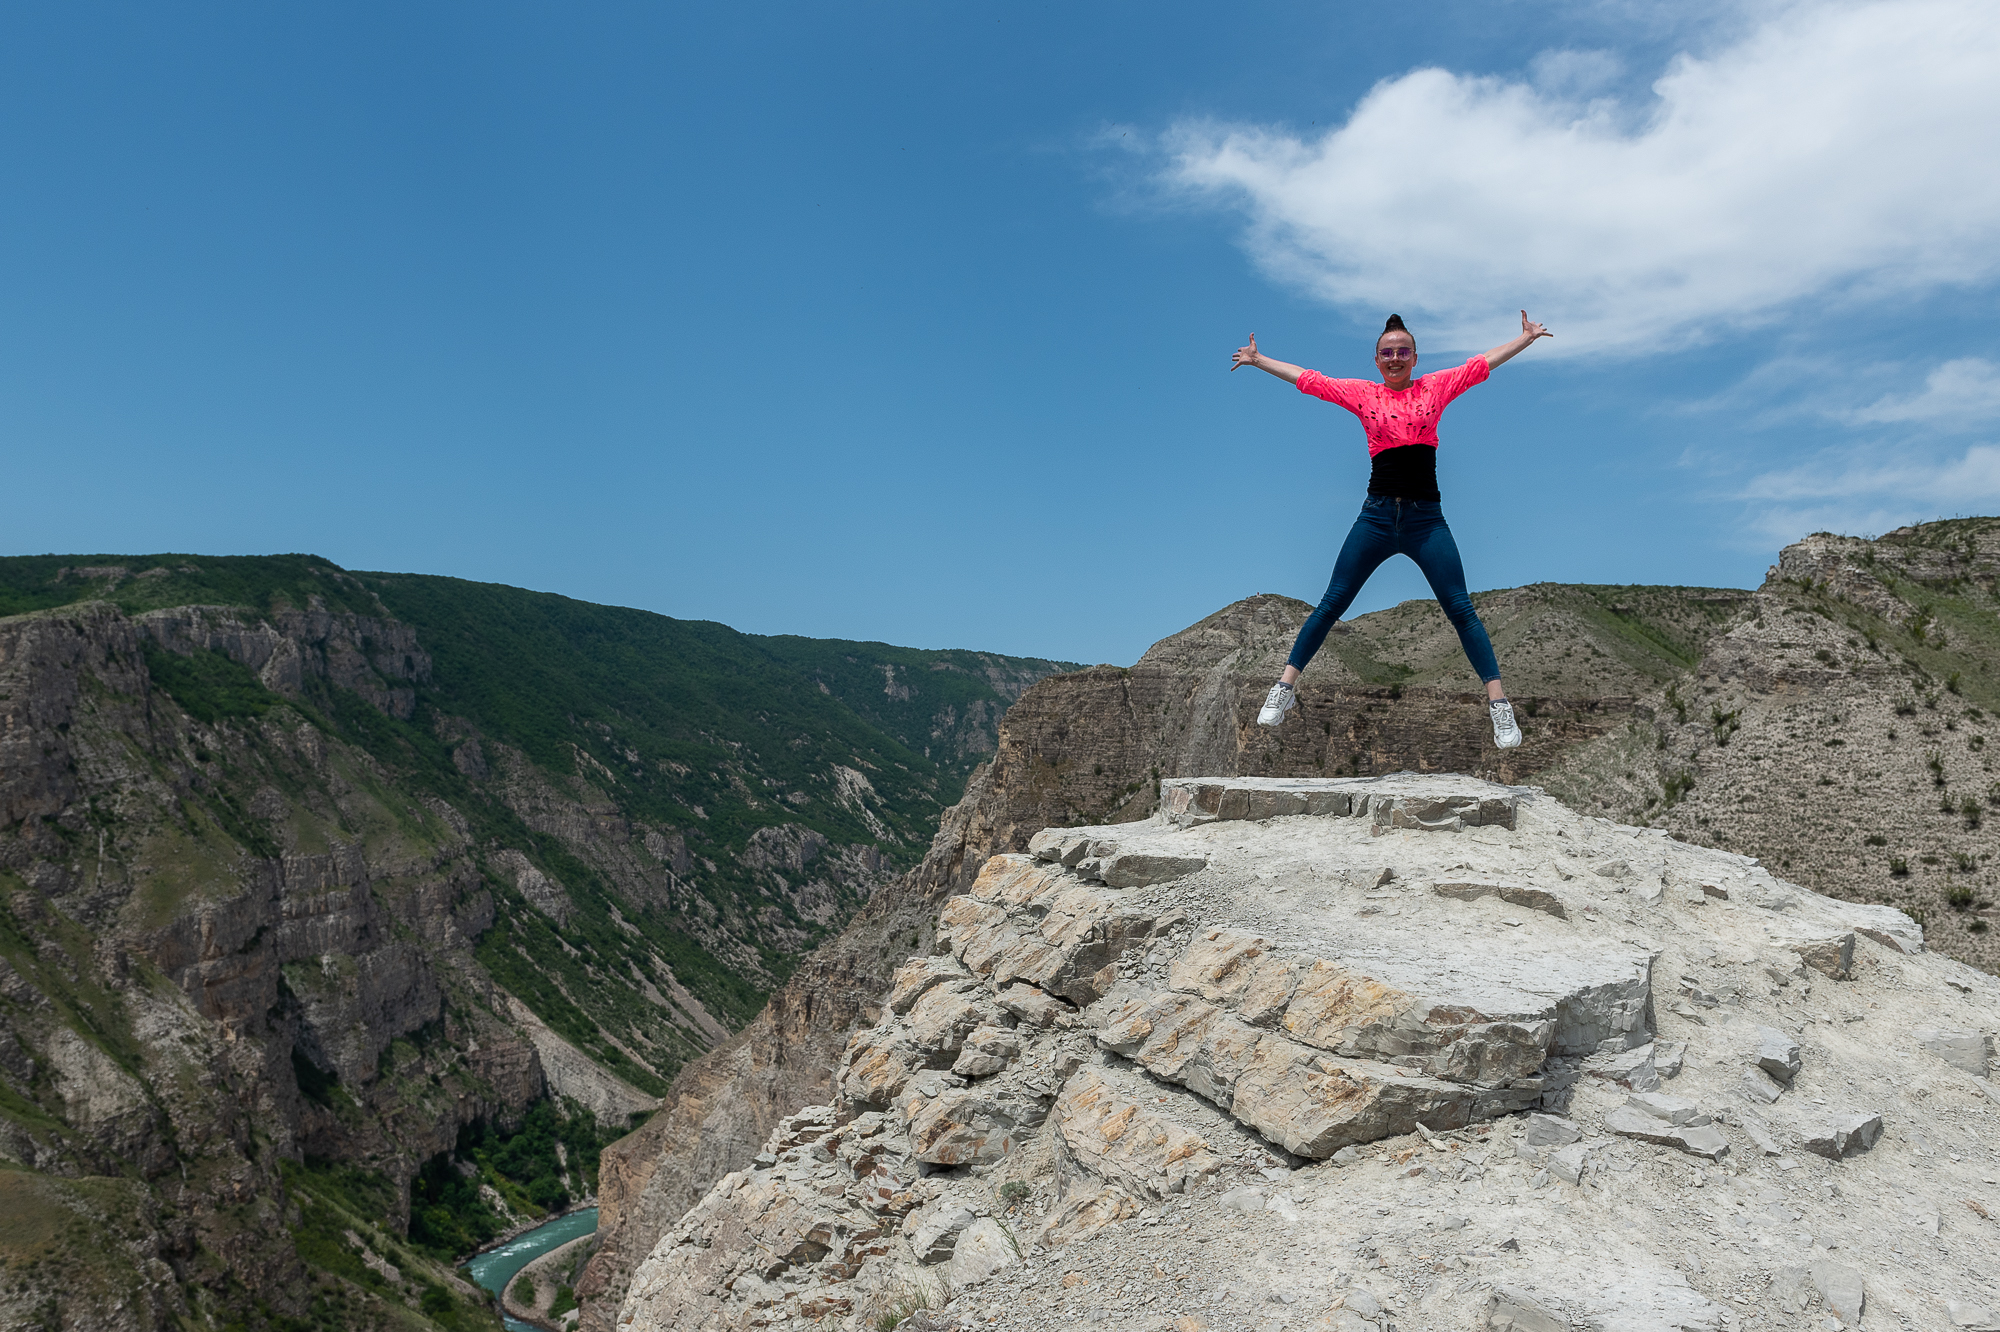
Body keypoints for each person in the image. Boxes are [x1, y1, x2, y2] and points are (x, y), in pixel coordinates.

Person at [1230, 310, 1551, 748]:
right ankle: (1284, 688)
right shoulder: (1363, 394)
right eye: (1387, 353)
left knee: (1461, 609)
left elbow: (1482, 363)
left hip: (1426, 521)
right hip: (1377, 518)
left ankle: (1498, 705)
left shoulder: (1435, 388)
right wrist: (1259, 359)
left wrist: (1525, 340)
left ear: (1415, 357)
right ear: (1377, 360)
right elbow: (1310, 379)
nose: (1395, 357)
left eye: (1403, 351)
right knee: (1331, 603)